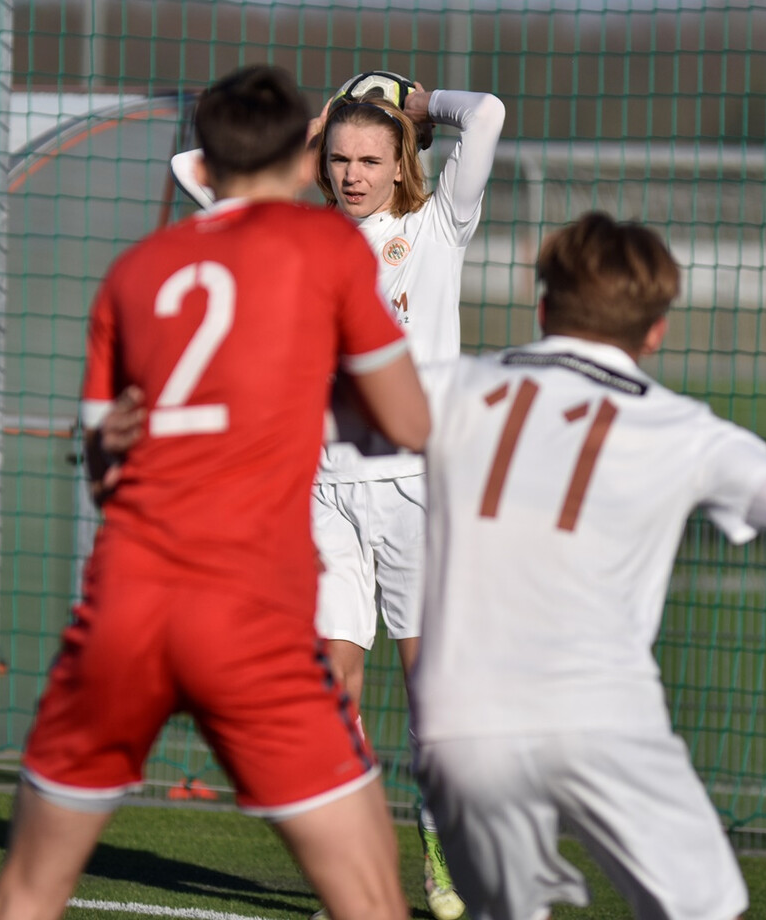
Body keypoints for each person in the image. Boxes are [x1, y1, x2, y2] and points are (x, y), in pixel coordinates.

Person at [0, 64, 430, 920]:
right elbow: (409, 420)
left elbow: (101, 466)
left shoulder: (137, 271)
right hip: (246, 614)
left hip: (124, 609)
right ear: (301, 155)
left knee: (28, 888)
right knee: (370, 898)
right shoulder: (326, 249)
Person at [172, 75, 506, 920]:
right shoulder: (292, 235)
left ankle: (441, 842)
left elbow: (490, 115)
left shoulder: (434, 230)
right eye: (339, 159)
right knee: (331, 693)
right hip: (323, 499)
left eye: (371, 159)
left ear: (402, 167)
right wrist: (319, 124)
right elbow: (195, 168)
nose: (353, 173)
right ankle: (358, 868)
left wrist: (417, 106)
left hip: (413, 497)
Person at [411, 211, 756, 920]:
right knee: (708, 908)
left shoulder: (445, 387)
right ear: (655, 329)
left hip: (462, 725)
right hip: (604, 714)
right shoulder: (687, 431)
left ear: (542, 308)